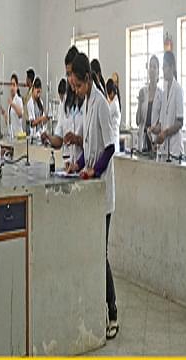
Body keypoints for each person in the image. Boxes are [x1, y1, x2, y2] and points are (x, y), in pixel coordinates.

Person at [67, 53, 119, 340]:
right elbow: (90, 145)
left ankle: (113, 311)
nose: (75, 90)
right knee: (91, 250)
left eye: (77, 85)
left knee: (101, 253)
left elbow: (110, 148)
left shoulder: (101, 104)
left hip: (102, 191)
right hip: (90, 188)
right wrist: (78, 164)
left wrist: (94, 171)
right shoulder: (88, 102)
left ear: (87, 78)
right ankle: (95, 309)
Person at [151, 51, 184, 157]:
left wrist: (165, 133)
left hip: (175, 147)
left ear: (172, 67)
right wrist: (154, 129)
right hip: (164, 149)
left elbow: (180, 122)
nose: (163, 70)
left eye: (165, 66)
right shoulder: (164, 92)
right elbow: (162, 123)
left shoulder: (178, 90)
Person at [136, 55, 163, 152]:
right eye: (150, 66)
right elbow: (137, 121)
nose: (152, 69)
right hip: (142, 138)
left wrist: (154, 129)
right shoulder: (143, 91)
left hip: (154, 139)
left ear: (158, 71)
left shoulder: (161, 95)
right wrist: (140, 102)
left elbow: (162, 122)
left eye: (154, 67)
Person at [0, 73, 24, 138]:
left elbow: (20, 114)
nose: (12, 87)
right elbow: (9, 121)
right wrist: (4, 114)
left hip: (19, 135)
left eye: (14, 85)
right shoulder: (11, 101)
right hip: (12, 135)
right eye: (11, 85)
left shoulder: (19, 100)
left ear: (17, 86)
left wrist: (12, 104)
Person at [106, 78, 121, 152]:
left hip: (113, 136)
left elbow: (106, 115)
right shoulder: (114, 102)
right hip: (113, 135)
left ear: (112, 92)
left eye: (109, 94)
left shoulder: (114, 104)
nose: (108, 97)